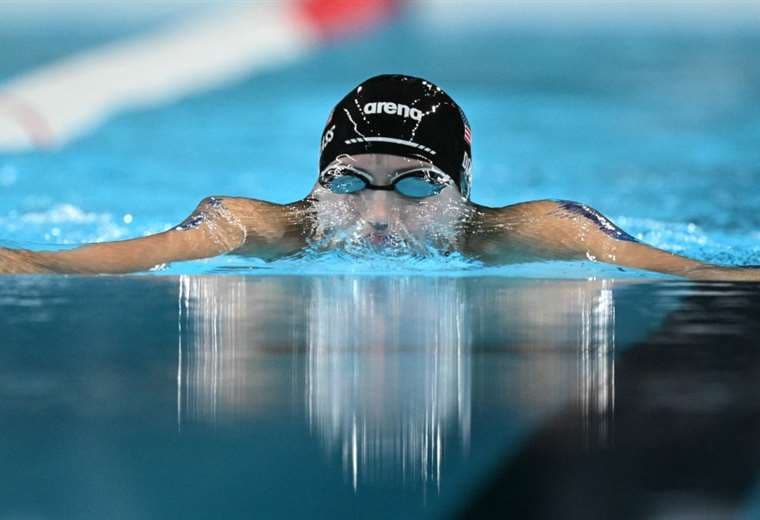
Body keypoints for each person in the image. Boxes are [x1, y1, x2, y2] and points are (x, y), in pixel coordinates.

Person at [0, 74, 758, 280]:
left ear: (461, 191)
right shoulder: (254, 227)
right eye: (351, 181)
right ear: (318, 183)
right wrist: (22, 262)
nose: (380, 217)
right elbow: (93, 259)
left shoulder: (533, 234)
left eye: (419, 185)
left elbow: (697, 272)